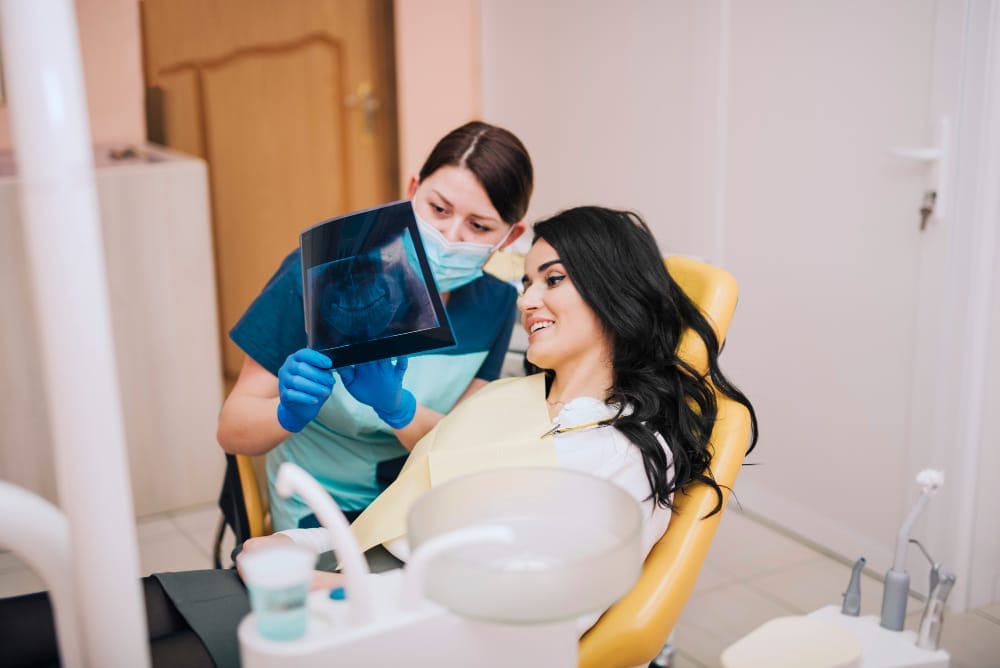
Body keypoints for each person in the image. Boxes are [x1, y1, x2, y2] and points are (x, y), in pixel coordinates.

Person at [0, 206, 758, 667]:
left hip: (381, 630)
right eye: (527, 281)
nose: (527, 300)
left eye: (552, 279)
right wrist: (297, 552)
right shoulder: (513, 397)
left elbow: (527, 625)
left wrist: (327, 587)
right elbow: (408, 504)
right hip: (346, 574)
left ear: (617, 294)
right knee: (78, 615)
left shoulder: (622, 453)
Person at [216, 121, 533, 531]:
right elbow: (231, 429)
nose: (449, 237)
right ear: (412, 190)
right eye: (438, 209)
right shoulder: (320, 278)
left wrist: (399, 409)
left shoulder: (496, 304)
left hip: (422, 500)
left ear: (510, 236)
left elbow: (459, 450)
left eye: (479, 226)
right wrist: (285, 414)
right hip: (321, 506)